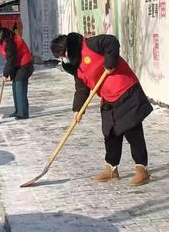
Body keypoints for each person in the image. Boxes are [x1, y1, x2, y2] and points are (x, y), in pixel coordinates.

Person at [50, 32, 152, 186]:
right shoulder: (76, 67)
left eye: (63, 55)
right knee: (109, 132)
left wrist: (110, 63)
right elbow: (81, 88)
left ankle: (141, 169)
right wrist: (78, 109)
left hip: (125, 90)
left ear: (69, 48)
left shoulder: (89, 45)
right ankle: (111, 169)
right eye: (60, 58)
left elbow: (111, 41)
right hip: (108, 97)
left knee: (132, 131)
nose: (64, 59)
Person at [0, 23, 34, 120]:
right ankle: (18, 111)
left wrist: (5, 74)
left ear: (0, 32)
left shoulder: (9, 41)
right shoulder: (5, 37)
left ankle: (23, 113)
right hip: (17, 65)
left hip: (24, 64)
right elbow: (11, 60)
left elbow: (11, 59)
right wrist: (10, 73)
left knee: (19, 87)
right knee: (15, 86)